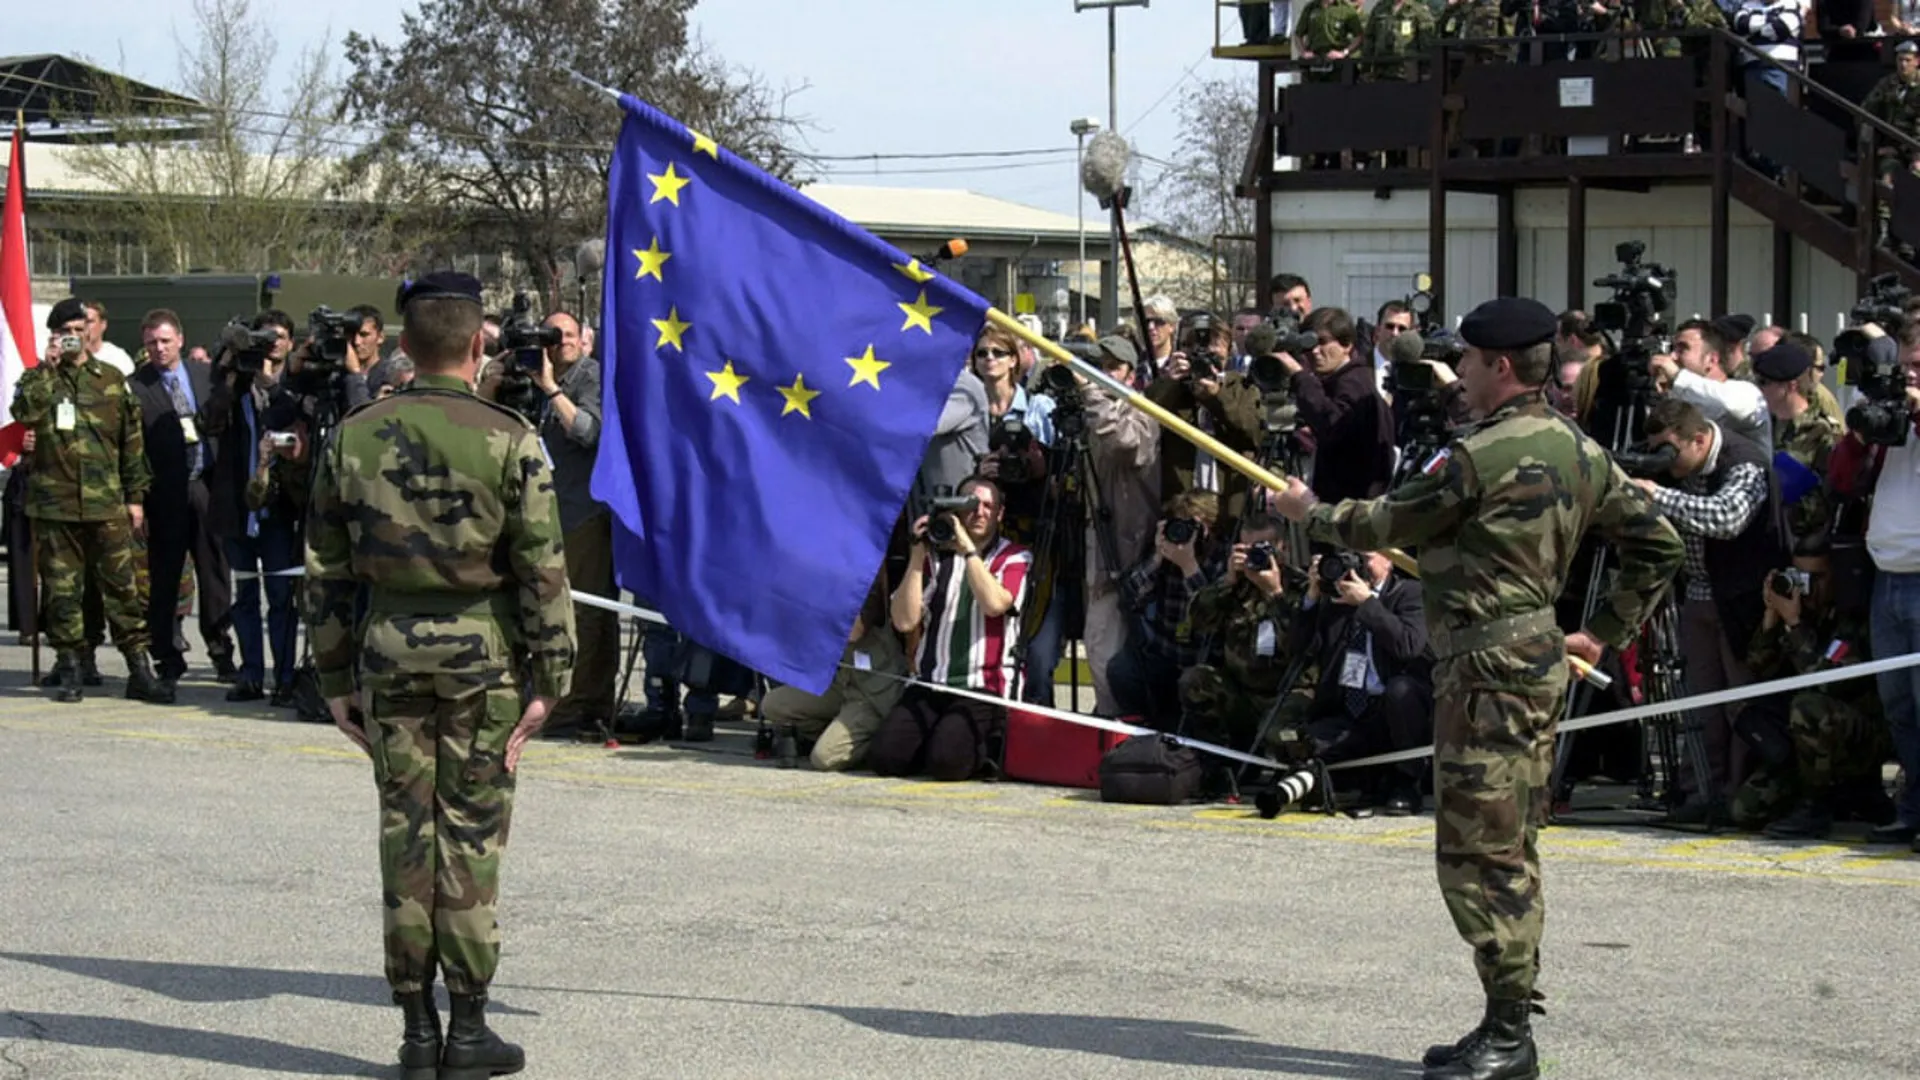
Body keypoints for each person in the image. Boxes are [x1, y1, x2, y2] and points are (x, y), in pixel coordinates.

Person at [1274, 296, 1683, 1080]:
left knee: (1479, 853)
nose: (1457, 374)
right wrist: (1603, 630)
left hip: (1489, 674)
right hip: (1522, 663)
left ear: (1499, 367)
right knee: (1508, 843)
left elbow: (1389, 521)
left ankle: (1510, 1033)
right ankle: (1503, 1020)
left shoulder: (1480, 456)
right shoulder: (1577, 446)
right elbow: (1657, 544)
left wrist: (1312, 513)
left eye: (1466, 361)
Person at [305, 272, 575, 1080]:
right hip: (482, 663)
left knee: (405, 835)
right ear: (478, 341)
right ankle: (468, 1028)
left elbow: (323, 570)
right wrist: (552, 680)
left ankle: (417, 1030)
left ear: (402, 344)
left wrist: (332, 679)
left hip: (388, 652)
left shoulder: (354, 434)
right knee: (469, 836)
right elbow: (542, 570)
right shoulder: (510, 437)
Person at [11, 298, 160, 703]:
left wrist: (136, 498)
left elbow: (132, 443)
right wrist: (47, 366)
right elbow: (24, 411)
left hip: (106, 504)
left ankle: (139, 668)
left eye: (81, 329)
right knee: (63, 592)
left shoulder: (112, 379)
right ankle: (72, 666)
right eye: (67, 332)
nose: (76, 337)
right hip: (55, 506)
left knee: (122, 589)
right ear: (55, 335)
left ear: (92, 331)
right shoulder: (39, 379)